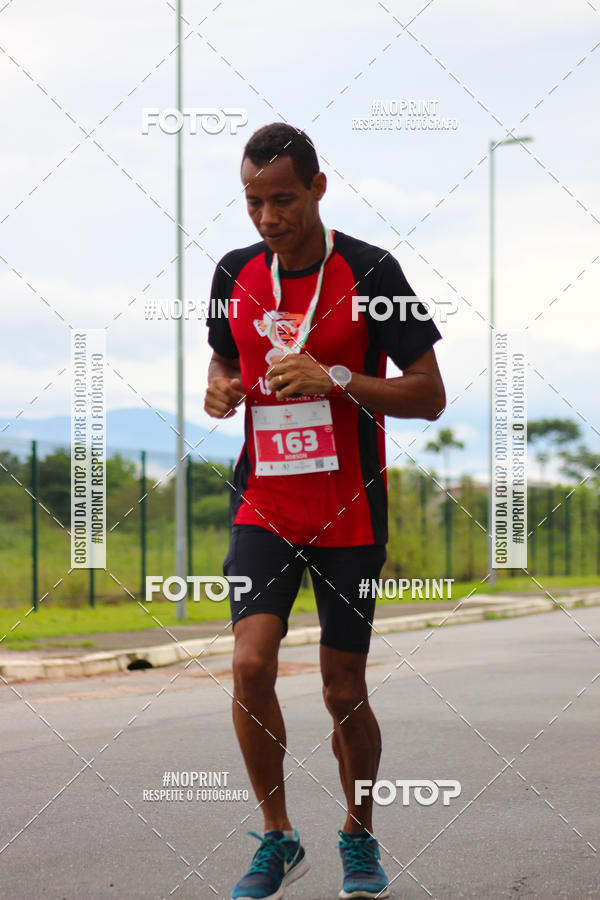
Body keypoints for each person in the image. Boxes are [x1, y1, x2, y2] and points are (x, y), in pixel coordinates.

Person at [204, 122, 446, 900]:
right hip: (265, 501)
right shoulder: (234, 272)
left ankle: (358, 832)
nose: (268, 218)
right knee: (249, 663)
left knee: (343, 688)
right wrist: (219, 385)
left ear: (317, 188)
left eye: (282, 199)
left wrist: (337, 375)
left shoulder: (372, 269)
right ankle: (278, 837)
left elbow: (429, 394)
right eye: (253, 203)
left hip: (349, 510)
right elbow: (223, 352)